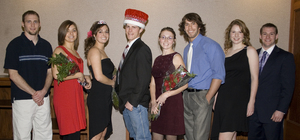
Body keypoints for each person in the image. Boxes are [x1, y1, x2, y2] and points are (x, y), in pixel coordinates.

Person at [3, 10, 53, 140]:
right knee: (22, 136)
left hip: (43, 99)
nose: (32, 25)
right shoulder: (14, 45)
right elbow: (13, 75)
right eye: (29, 21)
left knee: (44, 135)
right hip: (22, 99)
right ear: (23, 24)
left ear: (39, 24)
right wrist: (34, 93)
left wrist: (43, 91)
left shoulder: (46, 46)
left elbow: (50, 72)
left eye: (35, 21)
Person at [178, 13, 226, 140]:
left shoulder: (211, 45)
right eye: (186, 24)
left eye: (193, 23)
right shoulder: (186, 49)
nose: (190, 27)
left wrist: (208, 97)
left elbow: (219, 74)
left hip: (202, 97)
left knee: (199, 137)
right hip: (187, 96)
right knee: (188, 137)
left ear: (199, 26)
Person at [211, 19, 259, 140]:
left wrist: (251, 102)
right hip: (223, 99)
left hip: (238, 100)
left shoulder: (250, 51)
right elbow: (219, 77)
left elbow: (254, 78)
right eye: (233, 32)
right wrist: (215, 97)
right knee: (229, 135)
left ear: (244, 34)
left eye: (240, 32)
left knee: (224, 135)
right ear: (229, 34)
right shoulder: (224, 52)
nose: (236, 35)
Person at [248, 23, 295, 140]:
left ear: (276, 36)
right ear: (260, 36)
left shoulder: (285, 57)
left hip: (273, 113)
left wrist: (281, 110)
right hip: (252, 112)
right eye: (265, 33)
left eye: (271, 34)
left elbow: (288, 87)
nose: (267, 37)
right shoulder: (252, 54)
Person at [115, 8, 152, 140]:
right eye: (128, 27)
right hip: (127, 102)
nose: (130, 30)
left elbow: (144, 79)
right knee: (135, 136)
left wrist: (133, 102)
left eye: (134, 27)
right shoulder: (129, 48)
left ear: (141, 30)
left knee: (142, 137)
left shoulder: (142, 49)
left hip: (136, 104)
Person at [52, 20, 91, 140]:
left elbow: (75, 74)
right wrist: (78, 75)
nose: (71, 33)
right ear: (62, 33)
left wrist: (85, 77)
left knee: (75, 134)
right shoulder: (59, 51)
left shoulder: (76, 53)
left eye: (74, 30)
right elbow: (56, 75)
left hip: (75, 96)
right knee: (70, 134)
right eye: (68, 30)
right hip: (65, 98)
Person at [150, 27, 187, 140]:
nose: (166, 40)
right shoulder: (157, 59)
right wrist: (153, 102)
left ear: (174, 40)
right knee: (156, 135)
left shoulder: (176, 57)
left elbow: (185, 84)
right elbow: (152, 83)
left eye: (169, 38)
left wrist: (166, 95)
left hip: (172, 103)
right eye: (163, 37)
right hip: (157, 104)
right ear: (159, 39)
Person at [84, 20, 115, 140]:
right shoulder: (94, 51)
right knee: (96, 135)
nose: (104, 34)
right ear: (94, 35)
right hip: (98, 98)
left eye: (106, 31)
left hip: (105, 97)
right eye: (100, 31)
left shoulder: (102, 51)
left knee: (103, 134)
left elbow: (94, 75)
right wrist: (114, 83)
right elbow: (98, 76)